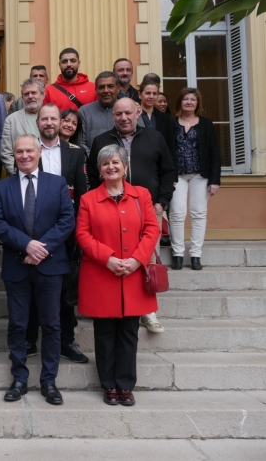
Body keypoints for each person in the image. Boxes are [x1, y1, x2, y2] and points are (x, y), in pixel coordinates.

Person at [0, 134, 74, 405]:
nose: (24, 156)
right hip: (17, 265)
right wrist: (27, 245)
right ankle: (19, 379)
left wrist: (42, 249)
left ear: (39, 152)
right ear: (13, 155)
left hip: (50, 267)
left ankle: (49, 382)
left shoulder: (57, 183)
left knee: (51, 325)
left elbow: (66, 220)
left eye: (29, 151)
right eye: (19, 152)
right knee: (17, 325)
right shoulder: (2, 188)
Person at [76, 145, 160, 407]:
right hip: (102, 274)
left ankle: (125, 385)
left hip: (133, 274)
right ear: (99, 171)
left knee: (128, 333)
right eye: (105, 164)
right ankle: (109, 385)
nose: (110, 167)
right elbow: (82, 235)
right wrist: (108, 258)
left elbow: (151, 229)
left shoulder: (141, 195)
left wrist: (137, 259)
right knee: (104, 334)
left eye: (115, 162)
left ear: (125, 166)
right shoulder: (88, 199)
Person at [88, 98, 177, 334]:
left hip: (146, 209)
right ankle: (114, 305)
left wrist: (163, 201)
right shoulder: (101, 141)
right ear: (113, 116)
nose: (123, 118)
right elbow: (91, 176)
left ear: (137, 113)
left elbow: (168, 171)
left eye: (128, 113)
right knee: (115, 259)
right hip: (109, 208)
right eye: (118, 114)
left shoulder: (155, 138)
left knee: (145, 258)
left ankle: (147, 311)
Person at [26, 104, 89, 364]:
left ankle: (66, 340)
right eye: (45, 119)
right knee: (29, 288)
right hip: (31, 231)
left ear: (60, 122)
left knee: (65, 292)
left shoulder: (75, 154)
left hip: (65, 233)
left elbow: (83, 196)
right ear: (38, 122)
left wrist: (78, 231)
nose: (50, 123)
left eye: (54, 118)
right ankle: (29, 339)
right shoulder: (29, 151)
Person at [169, 88, 221, 271]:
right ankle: (177, 253)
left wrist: (215, 180)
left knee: (199, 213)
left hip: (201, 175)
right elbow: (167, 151)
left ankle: (196, 254)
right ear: (180, 102)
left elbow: (214, 152)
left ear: (197, 103)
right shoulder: (171, 123)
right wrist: (168, 175)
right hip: (178, 176)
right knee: (177, 213)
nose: (189, 102)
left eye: (193, 99)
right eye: (186, 99)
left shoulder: (206, 124)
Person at [79, 72, 143, 157]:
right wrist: (97, 160)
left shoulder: (130, 109)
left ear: (118, 89)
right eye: (101, 87)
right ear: (96, 90)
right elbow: (80, 143)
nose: (106, 90)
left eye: (110, 86)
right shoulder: (84, 112)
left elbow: (141, 137)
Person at [1, 79, 42, 175]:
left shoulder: (52, 117)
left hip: (50, 175)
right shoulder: (11, 120)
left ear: (42, 94)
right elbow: (6, 153)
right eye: (26, 94)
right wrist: (19, 174)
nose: (30, 96)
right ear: (22, 97)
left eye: (34, 93)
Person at [139, 80, 176, 162]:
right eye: (148, 93)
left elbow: (170, 146)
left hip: (160, 163)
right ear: (140, 95)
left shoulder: (165, 118)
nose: (151, 96)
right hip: (139, 162)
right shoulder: (133, 116)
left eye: (154, 93)